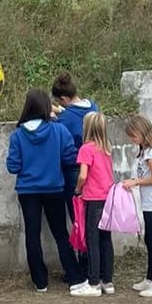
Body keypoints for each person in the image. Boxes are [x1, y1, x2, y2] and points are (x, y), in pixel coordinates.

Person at [6, 89, 83, 292]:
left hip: (27, 191)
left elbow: (12, 166)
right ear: (47, 108)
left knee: (33, 234)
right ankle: (74, 276)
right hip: (54, 188)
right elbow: (70, 157)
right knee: (60, 233)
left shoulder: (18, 135)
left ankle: (40, 281)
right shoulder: (58, 130)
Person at [122, 114, 152, 298]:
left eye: (134, 136)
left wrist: (136, 182)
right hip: (148, 204)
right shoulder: (143, 152)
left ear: (142, 133)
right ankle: (150, 278)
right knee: (150, 240)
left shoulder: (150, 154)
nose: (133, 140)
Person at [72, 111, 115, 297]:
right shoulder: (106, 149)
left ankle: (93, 282)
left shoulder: (86, 149)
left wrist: (77, 189)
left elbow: (83, 175)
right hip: (108, 197)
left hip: (94, 198)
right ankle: (108, 280)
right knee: (106, 239)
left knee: (92, 240)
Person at [51, 73, 99, 223]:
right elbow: (76, 115)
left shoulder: (65, 119)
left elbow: (58, 134)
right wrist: (62, 111)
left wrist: (53, 116)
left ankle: (82, 246)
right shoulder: (93, 107)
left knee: (78, 216)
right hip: (96, 165)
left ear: (63, 99)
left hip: (74, 169)